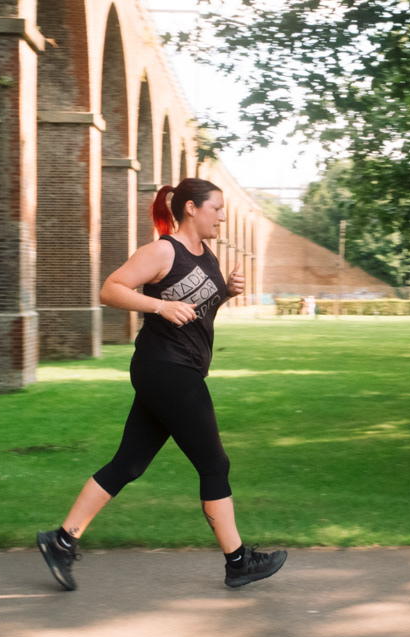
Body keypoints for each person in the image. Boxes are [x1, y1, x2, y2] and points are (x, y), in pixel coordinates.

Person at [37, 178, 287, 591]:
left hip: (173, 368)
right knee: (214, 465)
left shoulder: (206, 255)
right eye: (216, 208)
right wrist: (159, 305)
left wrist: (226, 293)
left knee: (128, 464)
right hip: (167, 368)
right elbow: (109, 290)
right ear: (192, 208)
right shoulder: (163, 251)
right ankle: (238, 561)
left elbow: (196, 313)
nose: (222, 217)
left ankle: (61, 540)